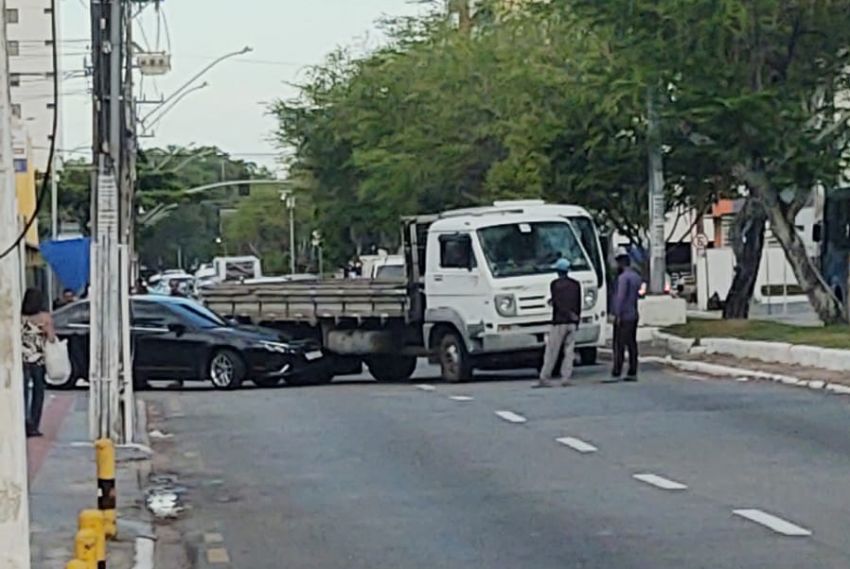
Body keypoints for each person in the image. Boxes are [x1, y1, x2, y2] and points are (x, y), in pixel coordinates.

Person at [536, 258, 582, 388]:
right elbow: (578, 303)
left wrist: (552, 302)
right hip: (573, 322)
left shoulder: (555, 284)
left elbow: (558, 302)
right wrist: (576, 318)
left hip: (559, 321)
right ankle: (566, 377)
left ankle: (544, 377)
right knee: (569, 351)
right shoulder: (576, 284)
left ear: (558, 271)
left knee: (552, 350)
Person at [21, 288, 56, 437]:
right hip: (38, 360)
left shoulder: (20, 318)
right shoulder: (44, 317)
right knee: (38, 392)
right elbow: (51, 338)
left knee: (23, 393)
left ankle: (24, 421)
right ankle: (34, 425)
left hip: (22, 358)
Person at [612, 251, 642, 381]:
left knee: (619, 344)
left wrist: (617, 314)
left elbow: (621, 297)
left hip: (624, 315)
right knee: (632, 344)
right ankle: (632, 369)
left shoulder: (623, 278)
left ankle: (617, 369)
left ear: (621, 264)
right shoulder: (636, 276)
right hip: (634, 313)